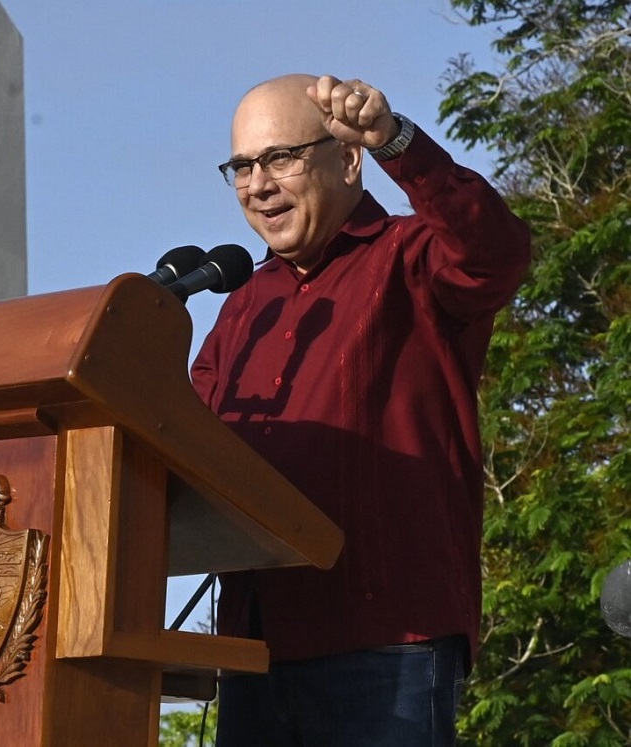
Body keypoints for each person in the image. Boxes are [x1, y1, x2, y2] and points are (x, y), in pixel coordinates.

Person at [190, 74, 531, 746]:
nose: (258, 185)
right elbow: (187, 441)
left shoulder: (413, 256)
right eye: (242, 167)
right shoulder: (243, 309)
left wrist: (397, 142)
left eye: (279, 158)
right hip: (257, 646)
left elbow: (497, 254)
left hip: (386, 640)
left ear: (348, 158)